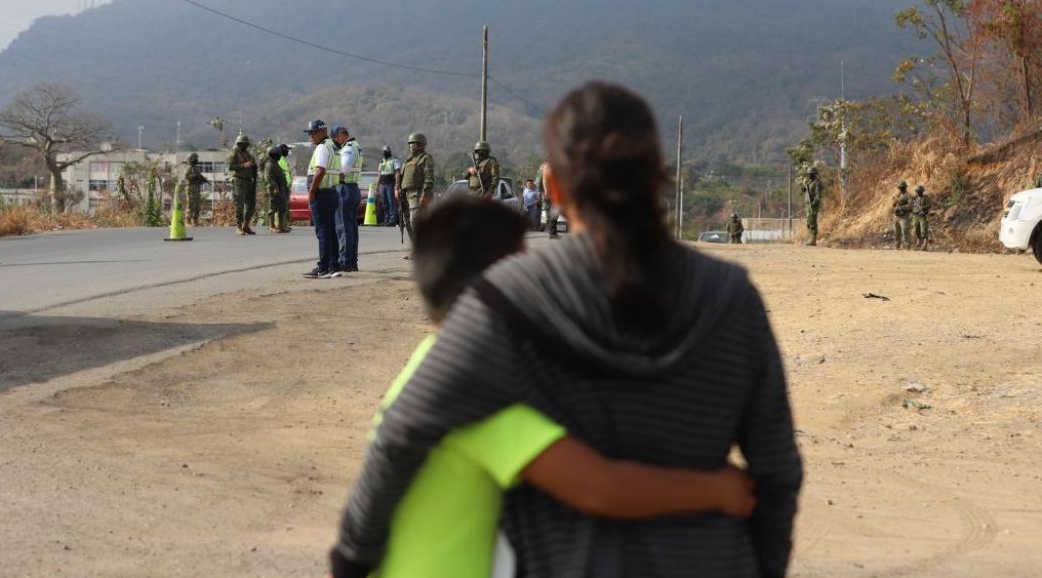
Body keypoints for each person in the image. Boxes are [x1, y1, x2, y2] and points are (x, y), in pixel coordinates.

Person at [331, 81, 802, 578]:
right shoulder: (733, 297)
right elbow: (777, 472)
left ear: (553, 188)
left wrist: (352, 557)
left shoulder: (508, 298)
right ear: (658, 176)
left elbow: (403, 431)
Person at [362, 195, 758, 578]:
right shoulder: (474, 392)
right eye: (528, 275)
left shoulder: (435, 360)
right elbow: (600, 488)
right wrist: (717, 490)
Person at [304, 119, 342, 278]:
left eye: (314, 132)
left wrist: (312, 191)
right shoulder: (334, 147)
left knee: (323, 232)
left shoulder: (322, 148)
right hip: (332, 192)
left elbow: (320, 171)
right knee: (331, 231)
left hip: (321, 194)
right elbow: (340, 172)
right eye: (310, 133)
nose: (311, 136)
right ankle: (334, 266)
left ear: (324, 131)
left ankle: (323, 268)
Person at [396, 132, 435, 251]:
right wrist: (397, 188)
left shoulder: (425, 158)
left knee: (416, 221)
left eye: (415, 144)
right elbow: (401, 177)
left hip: (417, 194)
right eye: (411, 144)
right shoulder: (407, 160)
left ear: (422, 145)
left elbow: (429, 178)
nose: (412, 146)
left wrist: (425, 194)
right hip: (405, 195)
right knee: (407, 222)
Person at [333, 126, 363, 272]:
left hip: (345, 188)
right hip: (353, 188)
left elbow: (343, 169)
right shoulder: (356, 146)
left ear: (341, 135)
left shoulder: (348, 148)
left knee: (343, 227)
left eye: (335, 138)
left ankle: (345, 261)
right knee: (351, 227)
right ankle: (352, 261)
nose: (335, 141)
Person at [227, 134, 258, 235]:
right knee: (239, 204)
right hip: (239, 181)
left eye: (247, 144)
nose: (246, 145)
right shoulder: (234, 153)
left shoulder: (248, 154)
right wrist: (243, 165)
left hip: (249, 181)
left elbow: (253, 164)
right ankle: (238, 226)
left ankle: (246, 225)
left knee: (251, 205)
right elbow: (230, 166)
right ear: (240, 144)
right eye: (244, 144)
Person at [264, 146, 289, 234]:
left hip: (280, 188)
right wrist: (275, 187)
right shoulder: (269, 164)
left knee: (281, 207)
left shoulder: (275, 164)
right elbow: (268, 178)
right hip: (273, 189)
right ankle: (272, 226)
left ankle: (280, 226)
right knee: (273, 207)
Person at [183, 153, 208, 226]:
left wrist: (202, 179)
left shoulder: (196, 168)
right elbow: (186, 176)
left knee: (197, 204)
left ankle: (195, 219)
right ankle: (188, 220)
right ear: (192, 159)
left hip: (197, 188)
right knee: (190, 204)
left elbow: (199, 177)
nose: (197, 160)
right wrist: (195, 176)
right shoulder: (188, 167)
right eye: (196, 159)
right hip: (190, 188)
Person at [377, 145, 400, 227]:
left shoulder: (394, 160)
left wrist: (397, 183)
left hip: (390, 184)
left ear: (389, 152)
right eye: (383, 151)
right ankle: (386, 220)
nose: (384, 153)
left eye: (385, 151)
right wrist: (377, 185)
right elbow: (379, 174)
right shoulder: (382, 161)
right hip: (382, 184)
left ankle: (392, 220)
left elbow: (397, 172)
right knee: (384, 203)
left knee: (391, 202)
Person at [803, 164, 822, 246]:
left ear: (814, 174)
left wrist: (814, 203)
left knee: (812, 221)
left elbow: (818, 195)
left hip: (813, 205)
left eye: (810, 174)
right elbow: (805, 190)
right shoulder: (809, 182)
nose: (809, 175)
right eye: (808, 174)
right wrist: (804, 187)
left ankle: (813, 240)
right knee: (809, 222)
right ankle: (810, 238)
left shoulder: (817, 183)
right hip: (808, 205)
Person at [891, 180, 911, 250]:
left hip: (904, 216)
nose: (900, 188)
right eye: (899, 187)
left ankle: (907, 246)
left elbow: (910, 206)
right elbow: (893, 205)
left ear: (905, 187)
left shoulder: (908, 196)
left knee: (905, 231)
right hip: (897, 216)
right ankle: (897, 246)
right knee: (896, 232)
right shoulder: (897, 195)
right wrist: (895, 203)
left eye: (902, 187)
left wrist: (901, 207)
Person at [277, 144, 292, 232]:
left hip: (286, 185)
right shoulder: (279, 159)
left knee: (285, 206)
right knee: (282, 206)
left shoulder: (283, 159)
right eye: (287, 150)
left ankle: (284, 224)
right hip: (282, 185)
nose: (288, 152)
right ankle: (280, 225)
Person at [911, 184, 931, 251]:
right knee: (916, 229)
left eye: (919, 191)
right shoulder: (914, 199)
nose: (918, 192)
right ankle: (918, 244)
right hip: (915, 216)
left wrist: (923, 207)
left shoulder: (925, 197)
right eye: (917, 191)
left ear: (922, 191)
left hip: (922, 215)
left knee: (923, 230)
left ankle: (925, 245)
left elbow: (929, 205)